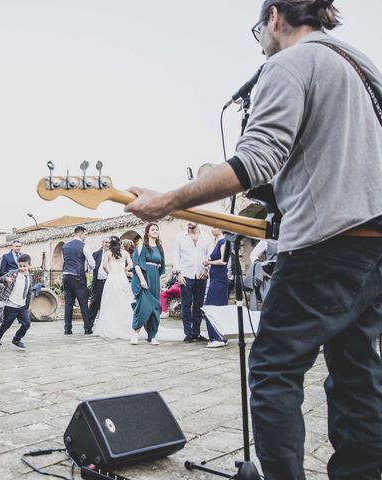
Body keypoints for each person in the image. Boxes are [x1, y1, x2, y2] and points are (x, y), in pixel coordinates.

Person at [125, 1, 382, 477]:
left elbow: (256, 162)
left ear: (276, 18)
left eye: (259, 29)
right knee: (357, 375)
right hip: (372, 246)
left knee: (273, 372)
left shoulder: (289, 62)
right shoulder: (361, 67)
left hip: (323, 244)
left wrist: (167, 201)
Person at [172, 223, 212, 343]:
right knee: (186, 305)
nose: (189, 222)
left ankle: (196, 332)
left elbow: (210, 255)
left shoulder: (206, 237)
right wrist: (178, 273)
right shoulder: (180, 237)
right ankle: (188, 333)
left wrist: (206, 269)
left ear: (197, 221)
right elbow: (176, 256)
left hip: (201, 275)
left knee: (199, 306)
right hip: (186, 275)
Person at [93, 236, 134, 340]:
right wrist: (124, 269)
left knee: (110, 302)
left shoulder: (107, 253)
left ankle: (112, 326)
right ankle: (126, 325)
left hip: (111, 279)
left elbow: (104, 266)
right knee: (124, 301)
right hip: (122, 279)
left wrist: (109, 272)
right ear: (120, 243)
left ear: (110, 244)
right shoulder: (125, 253)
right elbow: (131, 265)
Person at [131, 223, 165, 345]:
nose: (155, 231)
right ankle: (135, 333)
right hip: (143, 278)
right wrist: (142, 280)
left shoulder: (159, 247)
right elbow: (137, 264)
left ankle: (152, 335)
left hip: (155, 278)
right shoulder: (142, 245)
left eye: (157, 229)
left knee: (155, 308)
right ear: (147, 232)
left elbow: (161, 265)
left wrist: (160, 283)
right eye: (152, 229)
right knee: (142, 307)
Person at [0, 253, 33, 350]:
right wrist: (5, 279)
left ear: (29, 265)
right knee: (6, 325)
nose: (22, 268)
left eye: (24, 266)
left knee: (26, 323)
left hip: (22, 306)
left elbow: (28, 293)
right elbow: (1, 278)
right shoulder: (13, 273)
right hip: (11, 305)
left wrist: (27, 305)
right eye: (20, 266)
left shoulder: (30, 278)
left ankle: (17, 339)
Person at [61, 225, 95, 335]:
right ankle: (87, 328)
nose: (86, 236)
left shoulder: (65, 246)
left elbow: (65, 261)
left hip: (66, 276)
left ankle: (67, 329)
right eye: (85, 234)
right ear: (80, 233)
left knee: (68, 304)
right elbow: (92, 263)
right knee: (83, 303)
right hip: (78, 276)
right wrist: (88, 269)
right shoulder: (84, 246)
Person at [203, 228, 229, 348]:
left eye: (215, 227)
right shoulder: (217, 242)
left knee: (210, 308)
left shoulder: (223, 241)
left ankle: (217, 338)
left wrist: (209, 263)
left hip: (219, 279)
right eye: (211, 227)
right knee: (218, 309)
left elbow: (224, 261)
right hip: (215, 278)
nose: (212, 229)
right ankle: (222, 337)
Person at [88, 238, 110, 328]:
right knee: (94, 303)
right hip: (98, 282)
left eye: (109, 242)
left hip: (109, 281)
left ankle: (105, 326)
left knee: (107, 304)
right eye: (106, 242)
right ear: (102, 243)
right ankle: (89, 325)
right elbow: (90, 267)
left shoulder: (114, 254)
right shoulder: (96, 254)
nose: (107, 244)